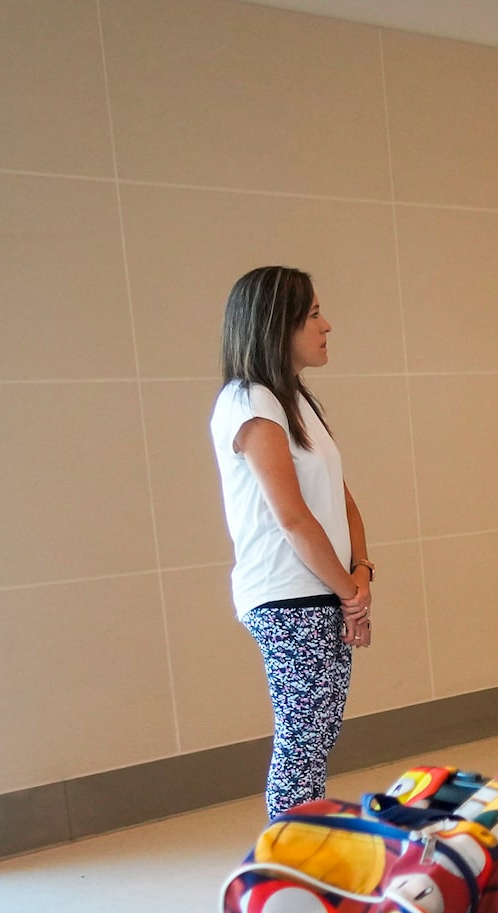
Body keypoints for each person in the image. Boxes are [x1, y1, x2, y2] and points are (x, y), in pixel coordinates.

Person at [213, 266, 374, 824]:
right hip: (288, 596)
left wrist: (361, 575)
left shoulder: (294, 399)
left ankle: (306, 860)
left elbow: (341, 498)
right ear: (274, 325)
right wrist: (348, 592)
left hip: (324, 589)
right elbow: (293, 517)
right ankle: (290, 871)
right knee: (302, 744)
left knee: (317, 735)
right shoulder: (250, 401)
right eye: (311, 316)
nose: (326, 325)